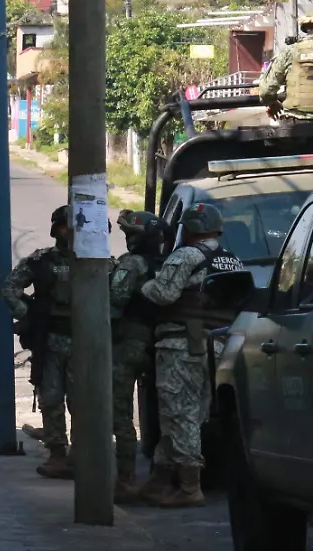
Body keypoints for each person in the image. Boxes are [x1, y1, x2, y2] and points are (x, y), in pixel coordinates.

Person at [137, 203, 244, 507]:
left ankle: (189, 488)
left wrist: (140, 286)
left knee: (180, 415)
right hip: (218, 347)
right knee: (188, 416)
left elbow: (163, 294)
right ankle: (158, 481)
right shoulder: (231, 260)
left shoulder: (186, 255)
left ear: (191, 229)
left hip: (182, 346)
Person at [3, 205, 76, 479]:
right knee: (51, 398)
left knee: (83, 402)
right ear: (58, 229)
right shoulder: (41, 260)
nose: (73, 232)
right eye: (68, 226)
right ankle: (57, 453)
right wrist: (30, 314)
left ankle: (81, 455)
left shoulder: (97, 261)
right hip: (51, 340)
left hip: (85, 341)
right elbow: (9, 288)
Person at [109, 210, 168, 503]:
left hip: (127, 344)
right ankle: (163, 479)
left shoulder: (131, 264)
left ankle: (127, 479)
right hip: (159, 344)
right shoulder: (166, 265)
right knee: (166, 415)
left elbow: (115, 299)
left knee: (119, 413)